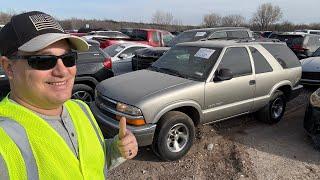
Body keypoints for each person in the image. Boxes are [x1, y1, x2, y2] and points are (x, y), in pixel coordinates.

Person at [0, 11, 138, 179]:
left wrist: (115, 149)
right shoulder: (5, 139)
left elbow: (91, 162)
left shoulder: (80, 108)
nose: (63, 71)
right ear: (9, 67)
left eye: (68, 58)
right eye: (43, 60)